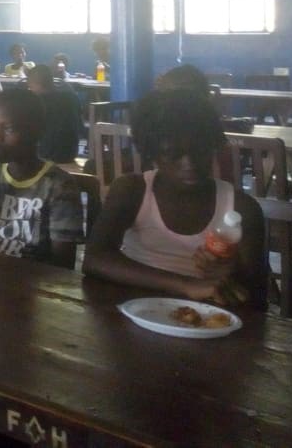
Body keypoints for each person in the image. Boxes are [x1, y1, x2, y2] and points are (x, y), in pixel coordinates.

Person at [83, 90, 267, 308]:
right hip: (134, 307)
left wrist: (233, 272)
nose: (189, 163)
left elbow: (258, 294)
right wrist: (187, 285)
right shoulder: (133, 191)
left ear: (213, 147)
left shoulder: (241, 209)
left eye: (200, 151)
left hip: (206, 320)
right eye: (173, 153)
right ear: (152, 153)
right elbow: (95, 259)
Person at [0, 88, 84, 269]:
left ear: (38, 132)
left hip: (36, 283)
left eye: (9, 129)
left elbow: (63, 263)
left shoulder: (59, 185)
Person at [25, 64, 82, 164]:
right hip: (71, 152)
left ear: (35, 83)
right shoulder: (72, 97)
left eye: (30, 86)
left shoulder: (37, 102)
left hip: (46, 155)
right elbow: (80, 125)